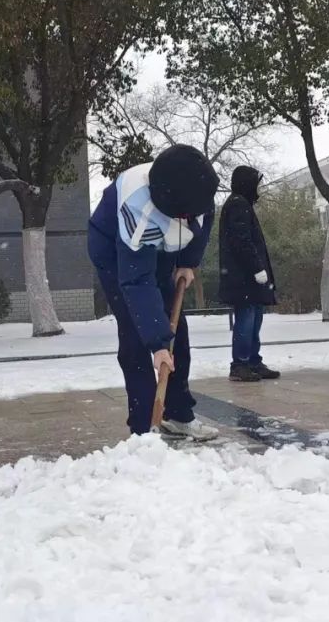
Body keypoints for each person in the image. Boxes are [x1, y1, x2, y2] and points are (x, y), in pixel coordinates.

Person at [88, 144, 219, 440]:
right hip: (114, 251)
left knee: (177, 331)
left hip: (161, 249)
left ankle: (178, 414)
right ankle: (144, 427)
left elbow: (205, 219)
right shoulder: (139, 212)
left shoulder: (196, 188)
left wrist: (187, 262)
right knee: (138, 334)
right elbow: (136, 281)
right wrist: (158, 344)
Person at [218, 165, 279, 382]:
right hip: (243, 277)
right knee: (246, 319)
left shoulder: (240, 204)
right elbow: (241, 241)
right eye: (255, 182)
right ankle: (241, 363)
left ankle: (252, 360)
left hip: (246, 277)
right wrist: (256, 268)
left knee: (254, 318)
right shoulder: (238, 205)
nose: (257, 187)